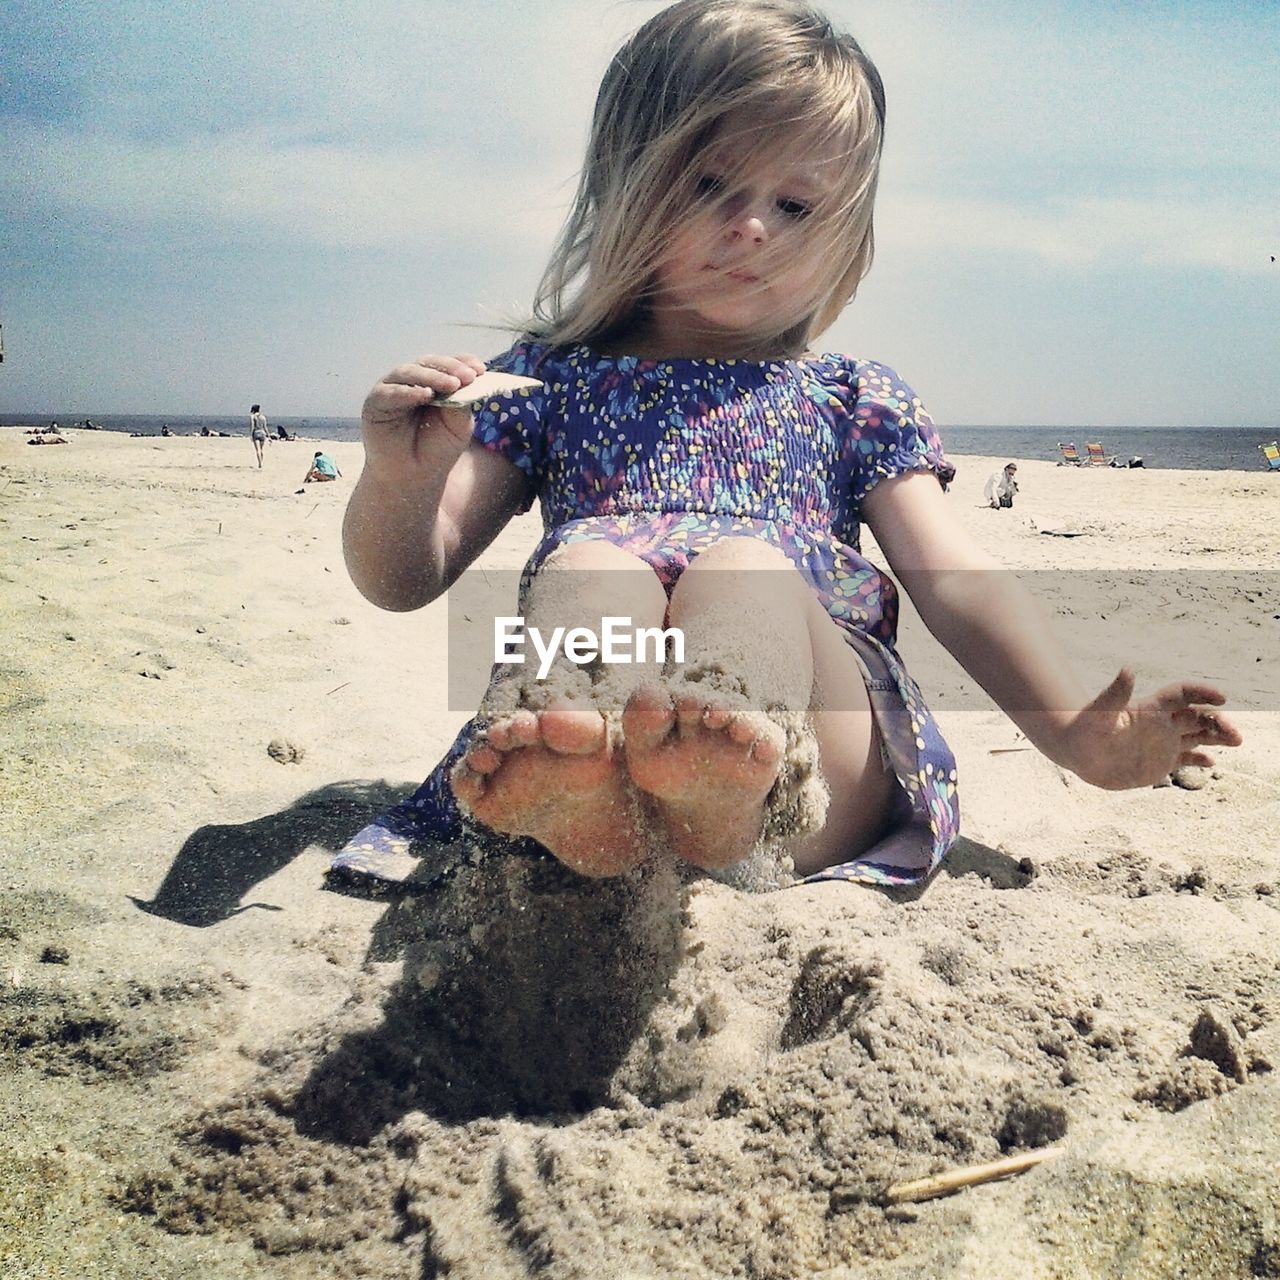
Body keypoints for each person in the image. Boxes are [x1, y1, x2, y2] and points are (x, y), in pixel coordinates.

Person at [337, 0, 1241, 890]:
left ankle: (722, 783)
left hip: (813, 754)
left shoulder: (846, 398)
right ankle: (586, 797)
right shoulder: (546, 382)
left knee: (742, 570)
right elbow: (403, 578)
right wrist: (399, 481)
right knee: (592, 569)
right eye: (709, 185)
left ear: (844, 223)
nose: (755, 226)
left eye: (797, 203)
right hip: (600, 739)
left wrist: (1073, 734)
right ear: (629, 177)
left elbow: (956, 582)